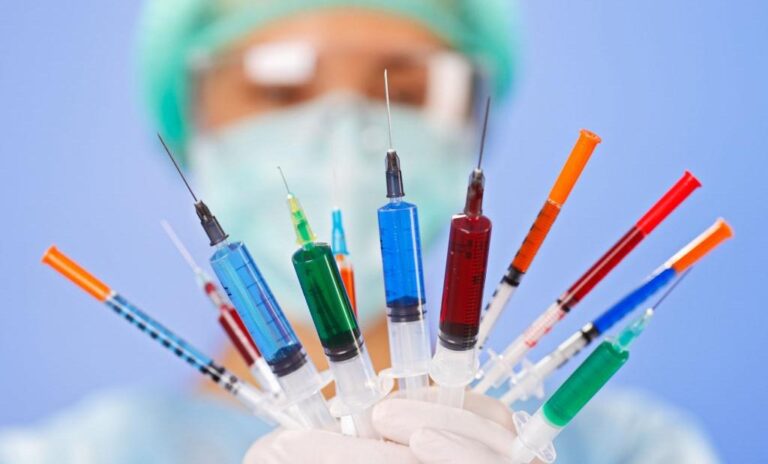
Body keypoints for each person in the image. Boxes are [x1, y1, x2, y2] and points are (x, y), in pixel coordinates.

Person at [0, 1, 720, 463]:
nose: (344, 129)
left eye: (407, 89)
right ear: (191, 122)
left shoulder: (630, 449)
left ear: (470, 117)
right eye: (280, 86)